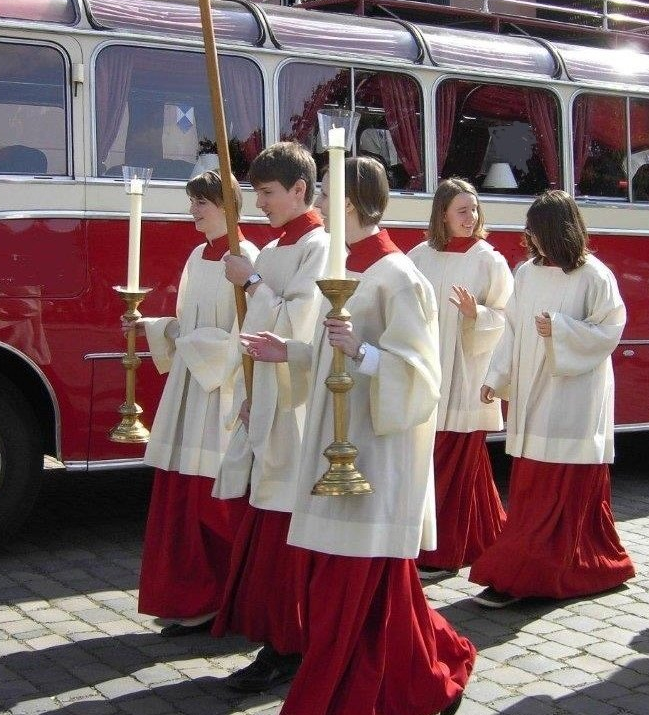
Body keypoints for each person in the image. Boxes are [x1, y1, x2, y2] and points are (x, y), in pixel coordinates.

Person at [241, 156, 474, 715]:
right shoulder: (346, 272)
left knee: (358, 583)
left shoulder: (398, 276)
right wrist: (290, 352)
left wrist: (363, 352)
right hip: (333, 449)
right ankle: (420, 675)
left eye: (324, 195)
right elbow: (329, 359)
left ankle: (358, 692)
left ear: (348, 204)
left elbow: (421, 376)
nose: (317, 204)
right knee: (353, 584)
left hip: (376, 454)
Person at [469, 189, 634, 609]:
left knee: (561, 486)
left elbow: (609, 331)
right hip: (531, 393)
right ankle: (536, 563)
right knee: (532, 486)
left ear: (559, 231)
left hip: (573, 396)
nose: (531, 239)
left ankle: (544, 569)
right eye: (530, 231)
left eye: (538, 231)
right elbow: (510, 328)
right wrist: (497, 376)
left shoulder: (594, 276)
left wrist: (561, 330)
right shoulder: (526, 274)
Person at [210, 142, 328, 691]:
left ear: (300, 189)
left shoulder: (318, 247)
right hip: (266, 402)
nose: (259, 204)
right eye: (256, 193)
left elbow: (301, 325)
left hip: (296, 409)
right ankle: (276, 635)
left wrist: (252, 283)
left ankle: (292, 640)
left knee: (285, 529)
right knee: (263, 521)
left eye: (268, 193)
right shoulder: (279, 246)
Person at [129, 170, 258, 636]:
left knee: (216, 501)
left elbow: (246, 337)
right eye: (192, 201)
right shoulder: (195, 256)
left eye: (200, 202)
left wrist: (187, 343)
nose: (193, 210)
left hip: (224, 393)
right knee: (183, 492)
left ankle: (221, 595)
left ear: (226, 205)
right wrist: (151, 327)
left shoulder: (245, 259)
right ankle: (188, 593)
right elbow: (185, 323)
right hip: (190, 387)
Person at [407, 179, 511, 580]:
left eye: (474, 209)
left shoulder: (489, 260)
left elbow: (508, 319)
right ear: (442, 215)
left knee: (453, 460)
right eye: (462, 210)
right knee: (454, 464)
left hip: (468, 375)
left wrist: (477, 315)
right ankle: (484, 537)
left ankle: (443, 550)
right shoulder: (420, 256)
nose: (471, 217)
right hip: (431, 370)